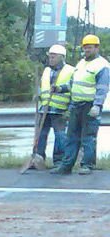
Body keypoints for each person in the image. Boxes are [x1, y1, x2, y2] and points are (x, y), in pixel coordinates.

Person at [51, 34, 108, 175]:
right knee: (71, 137)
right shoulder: (81, 63)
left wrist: (97, 105)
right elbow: (73, 84)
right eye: (85, 48)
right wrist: (60, 88)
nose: (87, 50)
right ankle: (66, 166)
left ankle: (87, 165)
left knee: (88, 137)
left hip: (90, 106)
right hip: (76, 105)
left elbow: (103, 87)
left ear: (96, 48)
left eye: (89, 48)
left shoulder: (102, 65)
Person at [31, 44, 74, 169]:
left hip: (60, 109)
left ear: (62, 57)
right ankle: (38, 159)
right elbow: (43, 86)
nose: (51, 59)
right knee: (41, 134)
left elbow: (74, 88)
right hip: (45, 108)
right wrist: (38, 94)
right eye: (50, 56)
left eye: (53, 56)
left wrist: (69, 108)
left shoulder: (71, 70)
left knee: (60, 136)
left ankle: (59, 161)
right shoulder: (47, 70)